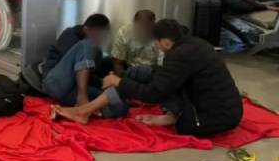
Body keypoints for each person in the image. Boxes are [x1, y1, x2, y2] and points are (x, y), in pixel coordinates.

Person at [55, 19, 243, 137]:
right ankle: (85, 110)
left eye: (157, 43)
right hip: (222, 110)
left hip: (208, 119)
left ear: (166, 42)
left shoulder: (179, 56)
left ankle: (83, 111)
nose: (157, 46)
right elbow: (168, 76)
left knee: (131, 83)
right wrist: (126, 77)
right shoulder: (193, 44)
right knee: (141, 73)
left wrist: (119, 81)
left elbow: (153, 94)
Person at [42, 14, 115, 112]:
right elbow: (71, 69)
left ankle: (74, 110)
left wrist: (104, 82)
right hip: (57, 82)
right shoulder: (71, 35)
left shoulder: (95, 49)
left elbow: (89, 73)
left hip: (74, 89)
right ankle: (82, 99)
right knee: (88, 44)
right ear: (86, 29)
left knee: (117, 103)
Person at [110, 10, 162, 77]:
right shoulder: (124, 32)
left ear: (153, 25)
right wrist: (120, 80)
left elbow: (162, 68)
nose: (143, 30)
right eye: (140, 26)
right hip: (129, 70)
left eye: (147, 27)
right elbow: (118, 62)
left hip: (152, 72)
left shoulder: (161, 36)